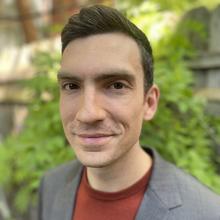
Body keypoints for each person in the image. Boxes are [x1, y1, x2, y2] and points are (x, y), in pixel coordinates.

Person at [38, 5, 220, 220]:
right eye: (71, 86)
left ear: (149, 103)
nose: (87, 113)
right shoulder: (51, 185)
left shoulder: (207, 213)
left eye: (116, 85)